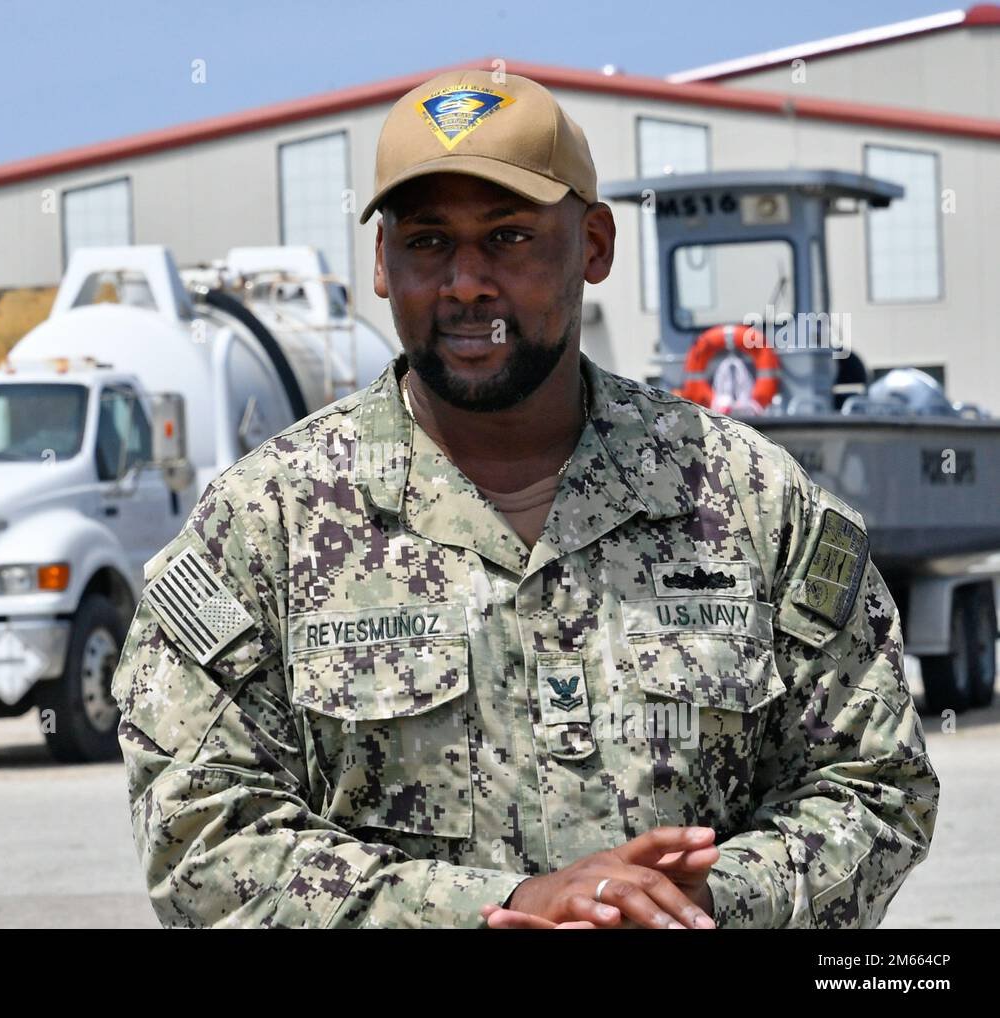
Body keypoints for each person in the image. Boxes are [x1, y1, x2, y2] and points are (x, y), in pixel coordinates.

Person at [112, 68, 939, 929]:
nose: (466, 281)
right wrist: (495, 910)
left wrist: (696, 904)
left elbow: (875, 789)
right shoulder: (264, 526)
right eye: (428, 240)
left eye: (508, 237)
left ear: (594, 245)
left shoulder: (749, 501)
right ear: (382, 264)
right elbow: (201, 838)